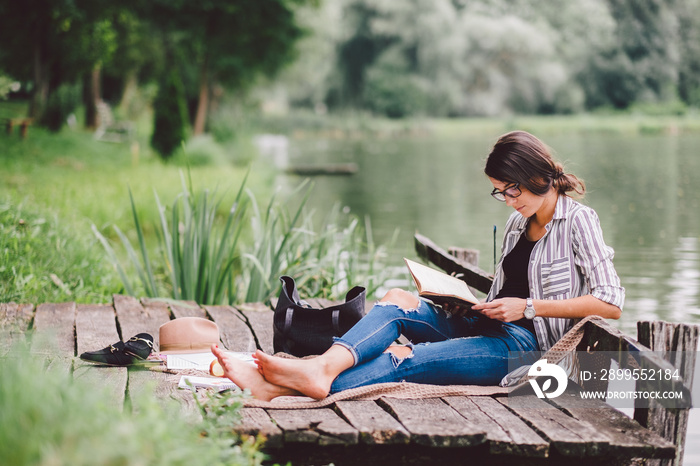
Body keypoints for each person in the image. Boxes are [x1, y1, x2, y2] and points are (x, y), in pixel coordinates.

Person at [211, 130, 625, 401]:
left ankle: (278, 388)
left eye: (511, 189)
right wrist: (466, 303)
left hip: (526, 349)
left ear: (536, 176)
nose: (509, 199)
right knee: (396, 301)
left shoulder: (578, 220)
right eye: (499, 193)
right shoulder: (519, 223)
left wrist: (529, 307)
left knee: (408, 359)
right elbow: (504, 295)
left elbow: (610, 302)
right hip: (490, 326)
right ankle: (320, 369)